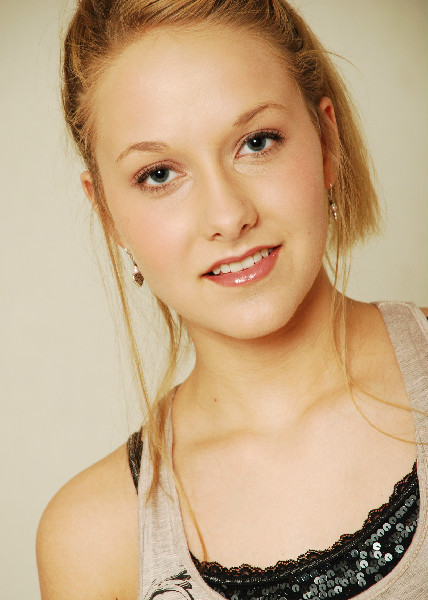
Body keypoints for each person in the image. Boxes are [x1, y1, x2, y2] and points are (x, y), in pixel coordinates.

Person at [36, 1, 428, 599]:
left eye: (257, 142)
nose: (227, 215)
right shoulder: (92, 540)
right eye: (159, 174)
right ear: (107, 213)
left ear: (326, 140)